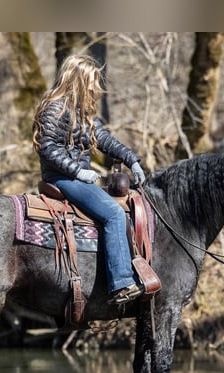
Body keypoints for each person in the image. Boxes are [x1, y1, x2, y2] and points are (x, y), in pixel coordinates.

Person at [32, 54, 146, 305]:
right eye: (93, 81)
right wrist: (77, 171)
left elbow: (104, 139)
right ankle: (122, 283)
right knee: (114, 214)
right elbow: (47, 147)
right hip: (62, 179)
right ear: (79, 80)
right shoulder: (54, 107)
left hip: (75, 178)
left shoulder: (84, 113)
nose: (96, 87)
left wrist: (132, 159)